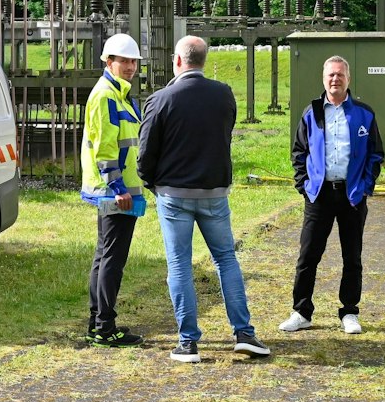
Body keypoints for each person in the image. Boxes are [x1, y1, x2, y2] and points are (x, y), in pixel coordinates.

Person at [136, 35, 271, 363]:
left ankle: (188, 342)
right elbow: (225, 134)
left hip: (173, 194)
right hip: (214, 193)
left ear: (178, 60)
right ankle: (244, 333)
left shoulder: (160, 99)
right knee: (226, 259)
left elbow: (144, 155)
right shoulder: (224, 95)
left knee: (179, 263)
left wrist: (154, 184)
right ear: (203, 60)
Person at [281, 56, 385, 335]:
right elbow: (298, 153)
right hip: (319, 195)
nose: (335, 79)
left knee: (352, 256)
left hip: (352, 196)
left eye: (340, 75)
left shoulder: (364, 113)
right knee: (308, 256)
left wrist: (364, 187)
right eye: (330, 75)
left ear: (348, 79)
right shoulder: (311, 113)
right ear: (323, 79)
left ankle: (349, 312)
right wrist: (304, 185)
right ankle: (301, 312)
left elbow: (375, 155)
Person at [81, 32, 146, 348]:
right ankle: (105, 327)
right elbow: (105, 148)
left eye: (134, 61)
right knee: (112, 258)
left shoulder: (119, 94)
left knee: (105, 255)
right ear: (109, 61)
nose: (131, 66)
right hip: (115, 192)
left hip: (118, 190)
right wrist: (118, 187)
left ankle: (98, 323)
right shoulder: (106, 95)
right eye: (125, 60)